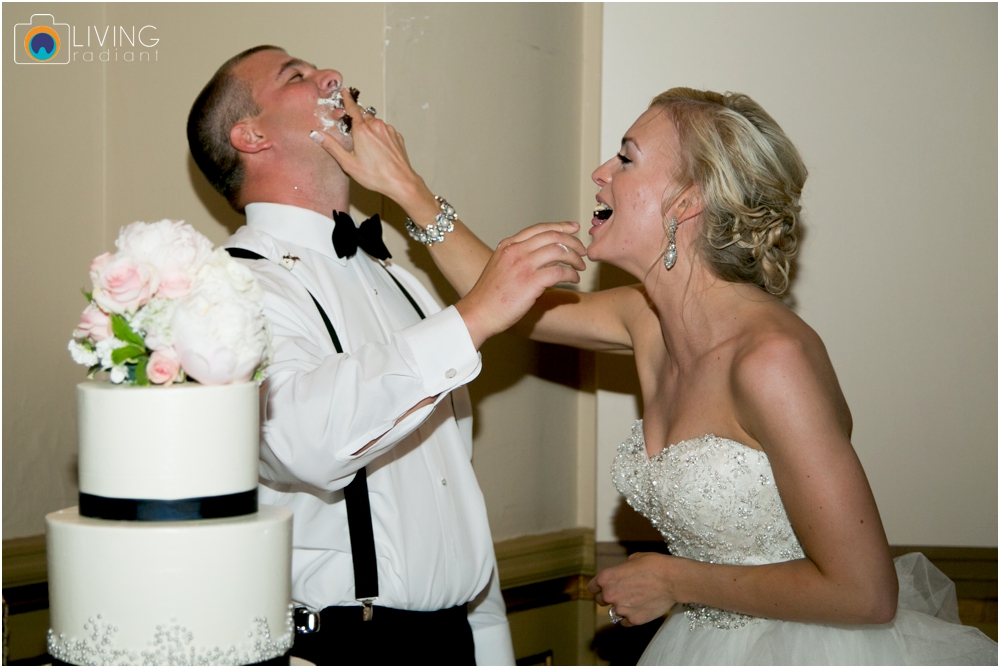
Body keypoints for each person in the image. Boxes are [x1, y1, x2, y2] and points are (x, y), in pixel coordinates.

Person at [311, 88, 999, 664]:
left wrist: (675, 578)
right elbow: (511, 303)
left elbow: (865, 593)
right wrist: (404, 186)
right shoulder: (646, 318)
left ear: (687, 202)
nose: (600, 172)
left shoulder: (771, 359)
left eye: (627, 159)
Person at [186, 45, 586, 666]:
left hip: (454, 637)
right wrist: (477, 314)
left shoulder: (401, 279)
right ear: (251, 134)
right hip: (344, 647)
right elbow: (302, 440)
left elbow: (451, 485)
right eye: (297, 76)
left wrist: (490, 646)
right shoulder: (228, 287)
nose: (332, 78)